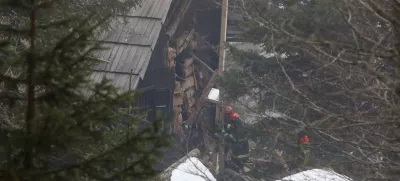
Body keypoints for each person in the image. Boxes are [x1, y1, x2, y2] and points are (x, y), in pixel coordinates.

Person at [219, 105, 250, 172]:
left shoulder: (236, 128)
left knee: (234, 166)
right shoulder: (240, 126)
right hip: (242, 153)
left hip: (238, 154)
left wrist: (223, 131)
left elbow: (232, 137)